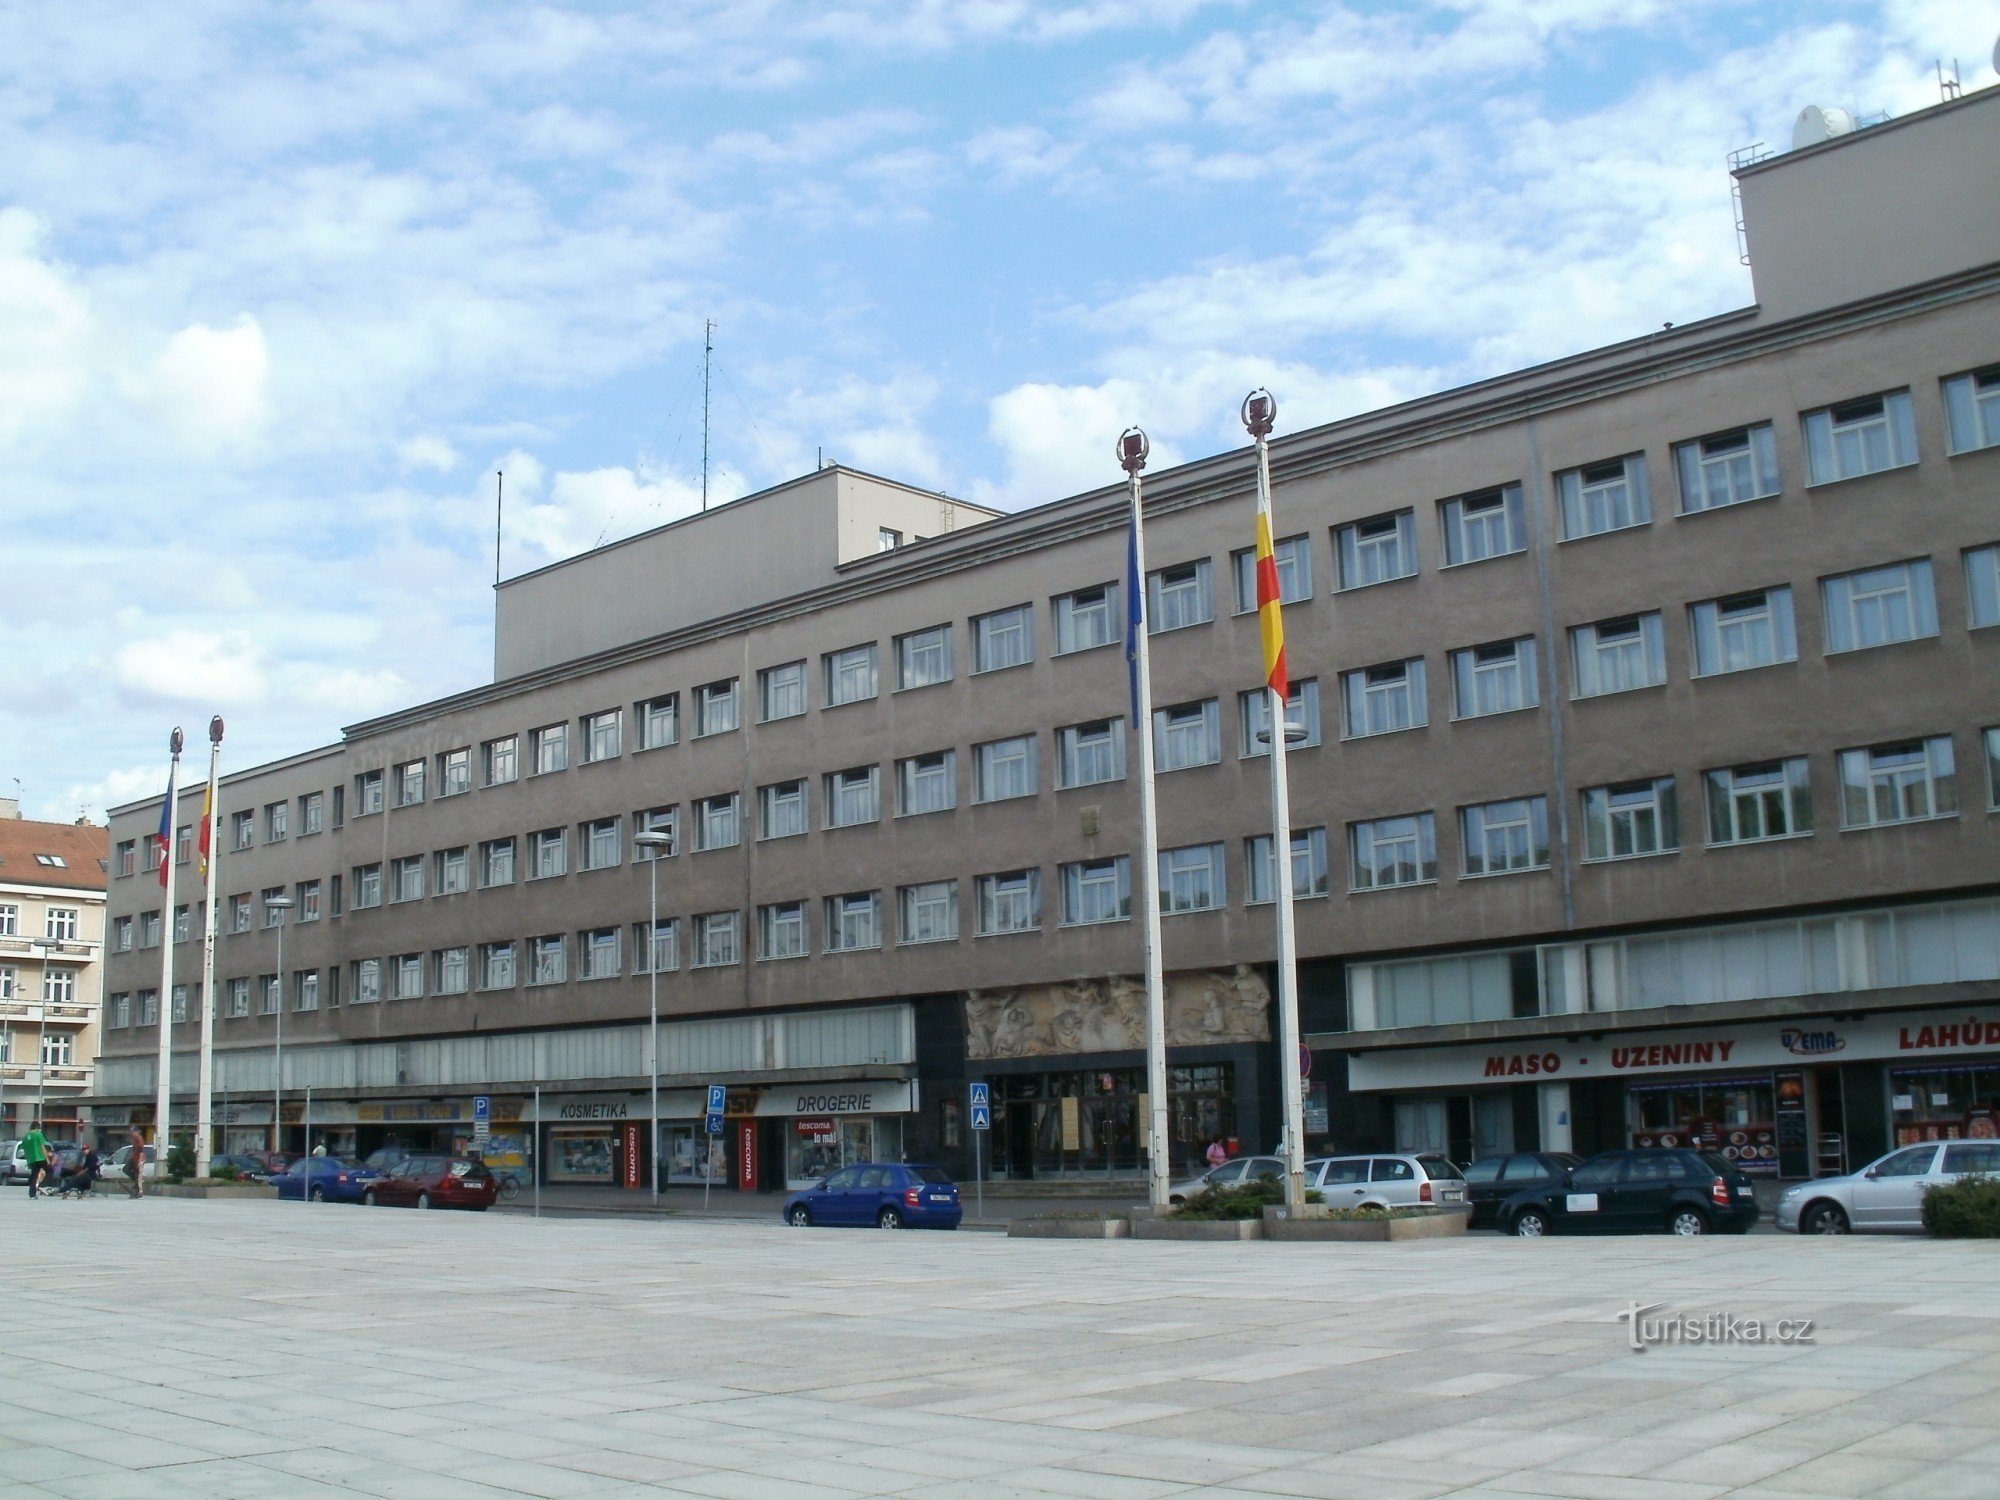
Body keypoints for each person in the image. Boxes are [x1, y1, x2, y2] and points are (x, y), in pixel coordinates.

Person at [22, 1120, 50, 1199]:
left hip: (31, 1159)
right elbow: (42, 1147)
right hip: (40, 1157)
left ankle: (32, 1194)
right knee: (50, 1170)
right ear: (37, 1127)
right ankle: (43, 1186)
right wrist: (47, 1159)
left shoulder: (25, 1137)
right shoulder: (38, 1134)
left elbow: (24, 1149)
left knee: (34, 1175)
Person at [126, 1129, 146, 1199]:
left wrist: (139, 1161)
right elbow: (134, 1150)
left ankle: (140, 1191)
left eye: (133, 1133)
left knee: (139, 1176)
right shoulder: (134, 1139)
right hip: (134, 1159)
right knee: (126, 1169)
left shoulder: (139, 1138)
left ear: (137, 1132)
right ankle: (136, 1183)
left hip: (139, 1160)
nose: (132, 1134)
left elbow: (141, 1151)